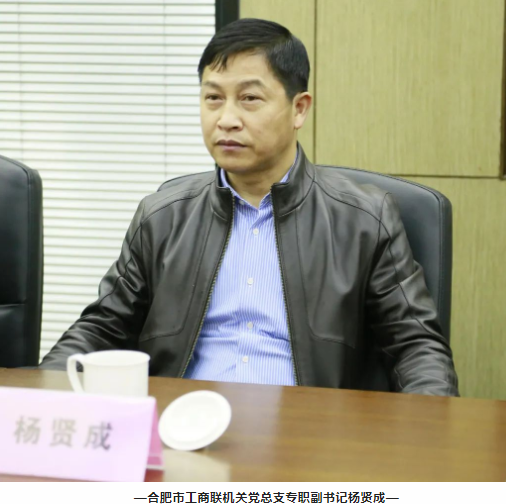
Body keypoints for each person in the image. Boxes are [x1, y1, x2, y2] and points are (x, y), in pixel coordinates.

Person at [41, 18, 459, 396]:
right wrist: (37, 398)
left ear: (299, 109)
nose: (226, 119)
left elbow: (416, 347)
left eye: (249, 99)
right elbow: (101, 328)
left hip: (309, 433)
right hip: (180, 425)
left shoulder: (364, 219)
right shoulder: (162, 216)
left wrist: (426, 429)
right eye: (213, 98)